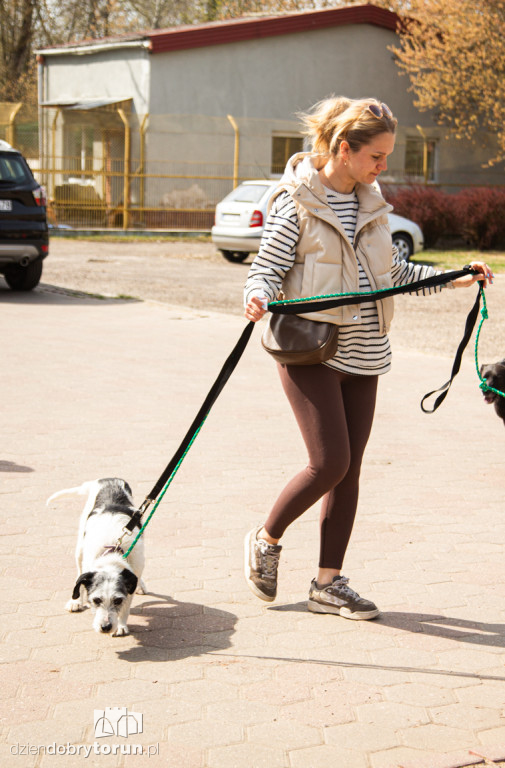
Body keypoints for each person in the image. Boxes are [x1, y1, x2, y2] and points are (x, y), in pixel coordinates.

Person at [243, 95, 493, 620]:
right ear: (343, 147)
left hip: (365, 351)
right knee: (328, 461)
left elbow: (395, 277)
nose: (383, 167)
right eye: (376, 156)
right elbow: (265, 266)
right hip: (310, 350)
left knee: (349, 471)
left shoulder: (373, 206)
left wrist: (454, 276)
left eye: (385, 157)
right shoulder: (298, 202)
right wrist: (257, 294)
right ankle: (266, 538)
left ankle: (327, 584)